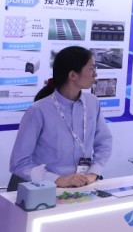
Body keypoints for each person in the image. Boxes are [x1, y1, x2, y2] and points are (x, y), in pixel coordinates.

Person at [9, 46, 112, 191]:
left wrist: (93, 172)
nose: (95, 74)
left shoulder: (92, 102)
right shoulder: (38, 110)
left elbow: (104, 142)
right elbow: (19, 163)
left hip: (82, 187)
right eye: (91, 69)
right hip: (44, 190)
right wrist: (58, 180)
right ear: (73, 75)